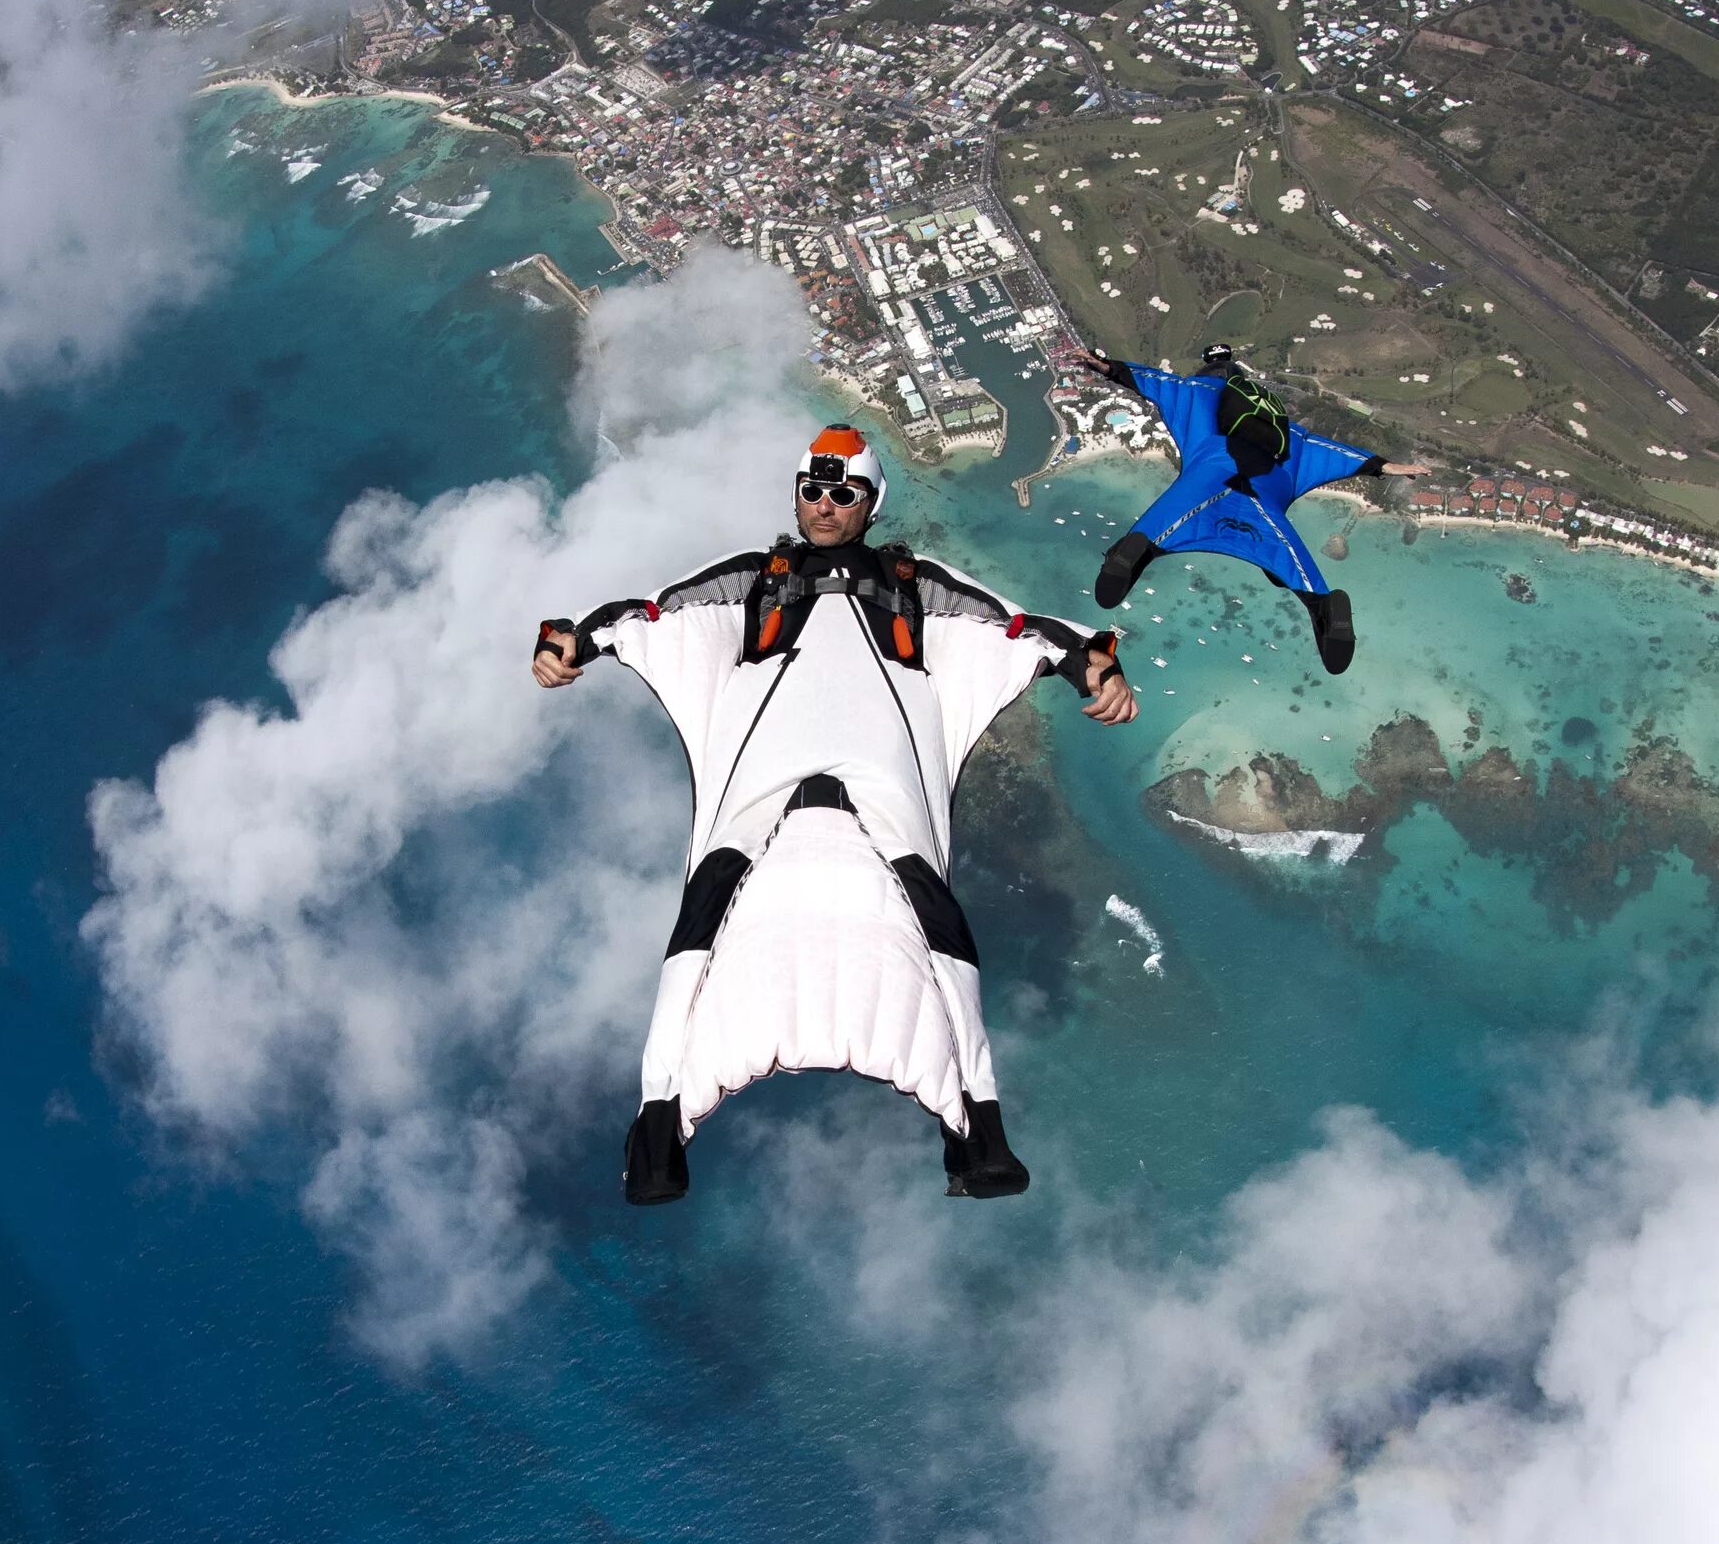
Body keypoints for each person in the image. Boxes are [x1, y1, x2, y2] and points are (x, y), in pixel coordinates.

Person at [532, 424, 1136, 1205]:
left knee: (936, 920)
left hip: (882, 771)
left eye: (843, 493)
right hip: (766, 766)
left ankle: (978, 1132)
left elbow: (1022, 629)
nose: (823, 505)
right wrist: (567, 643)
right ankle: (656, 1126)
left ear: (871, 503)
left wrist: (1098, 666)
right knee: (704, 917)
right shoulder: (755, 577)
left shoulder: (917, 584)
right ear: (796, 494)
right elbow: (646, 612)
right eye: (812, 491)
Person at [1067, 342, 1428, 674]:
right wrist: (1382, 465)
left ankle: (1128, 555)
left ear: (1208, 374)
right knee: (1297, 571)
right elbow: (1339, 455)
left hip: (1206, 484)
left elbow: (1147, 379)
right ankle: (1324, 606)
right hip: (1265, 500)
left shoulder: (1195, 394)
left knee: (1151, 533)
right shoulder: (1294, 436)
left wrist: (1106, 366)